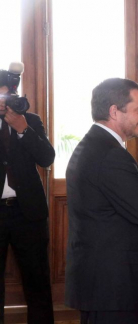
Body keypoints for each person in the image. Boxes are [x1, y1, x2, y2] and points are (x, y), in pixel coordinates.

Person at [65, 78, 138, 324]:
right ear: (114, 112)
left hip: (99, 281)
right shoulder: (111, 154)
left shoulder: (92, 145)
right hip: (111, 284)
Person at [0, 69, 55, 323]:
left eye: (9, 95)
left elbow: (47, 159)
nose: (6, 102)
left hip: (28, 214)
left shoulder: (30, 120)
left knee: (38, 283)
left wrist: (23, 129)